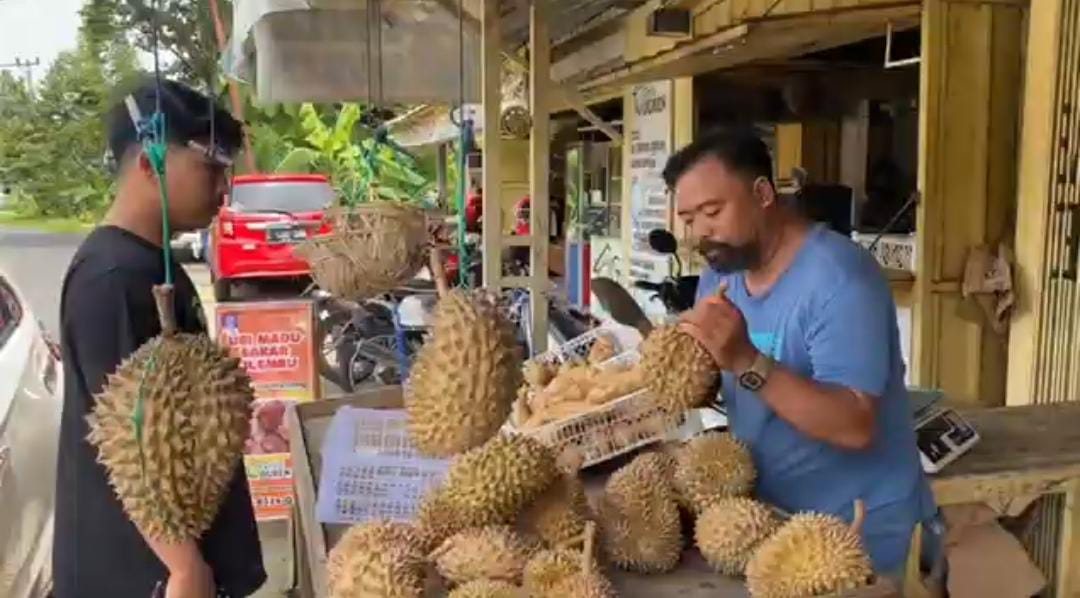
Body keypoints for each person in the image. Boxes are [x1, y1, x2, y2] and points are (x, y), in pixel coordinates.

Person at [665, 129, 939, 581]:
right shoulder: (721, 275)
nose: (701, 233)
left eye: (713, 212)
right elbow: (725, 378)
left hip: (858, 531)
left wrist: (744, 359)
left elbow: (854, 425)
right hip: (770, 518)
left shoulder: (840, 280)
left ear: (763, 193)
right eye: (690, 219)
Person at [53, 79, 266, 597]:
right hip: (144, 574)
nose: (223, 189)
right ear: (149, 165)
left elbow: (176, 411)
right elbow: (133, 444)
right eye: (211, 169)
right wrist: (184, 569)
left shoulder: (153, 263)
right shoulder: (113, 280)